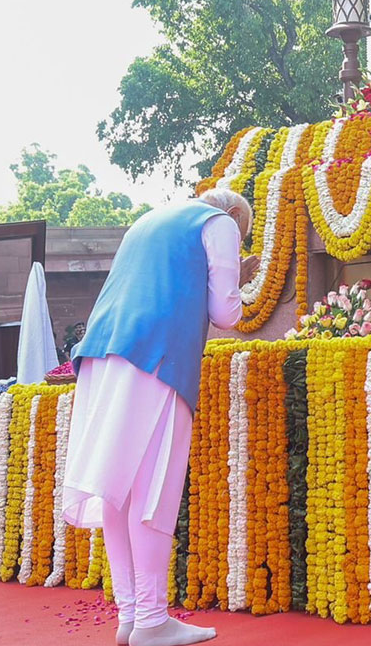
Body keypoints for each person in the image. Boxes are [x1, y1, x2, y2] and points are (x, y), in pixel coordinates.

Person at [62, 188, 258, 646]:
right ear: (232, 213)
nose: (239, 241)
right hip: (155, 355)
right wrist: (238, 281)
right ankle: (151, 620)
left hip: (100, 353)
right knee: (153, 488)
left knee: (120, 488)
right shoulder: (220, 222)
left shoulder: (148, 221)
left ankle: (131, 615)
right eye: (242, 235)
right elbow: (226, 313)